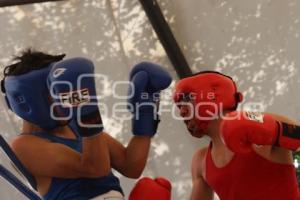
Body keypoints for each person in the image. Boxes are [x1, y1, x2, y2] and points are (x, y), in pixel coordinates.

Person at [1, 49, 172, 199]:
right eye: (56, 92)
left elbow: (130, 166)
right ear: (25, 101)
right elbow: (94, 168)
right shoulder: (23, 147)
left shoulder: (76, 128)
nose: (64, 98)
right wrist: (85, 108)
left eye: (64, 90)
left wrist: (145, 114)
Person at [173, 71, 300, 200]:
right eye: (179, 106)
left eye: (187, 99)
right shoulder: (200, 161)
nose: (182, 112)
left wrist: (275, 130)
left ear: (212, 95)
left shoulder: (263, 124)